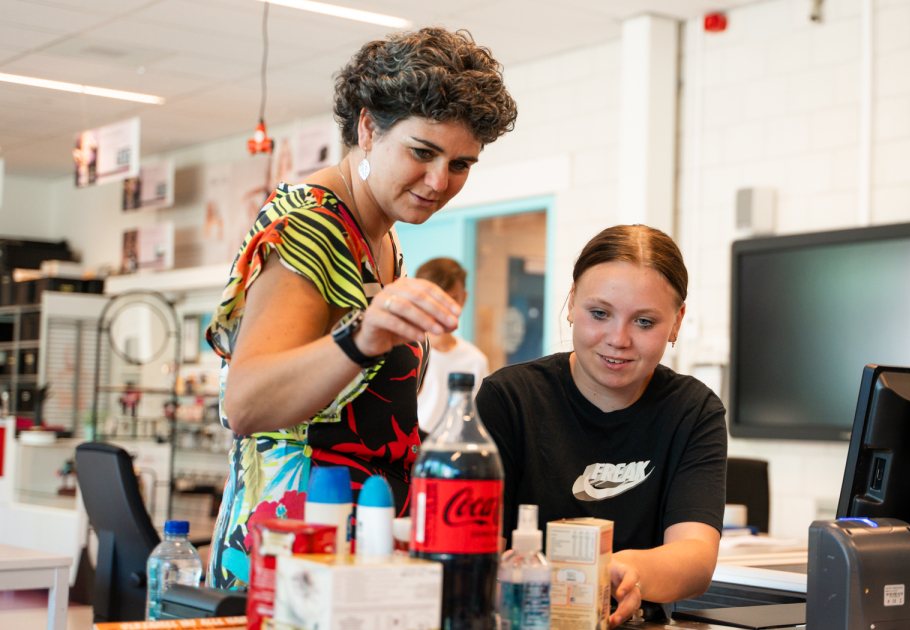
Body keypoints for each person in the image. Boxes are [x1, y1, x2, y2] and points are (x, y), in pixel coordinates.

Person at [203, 27, 517, 590]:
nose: (439, 181)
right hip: (293, 556)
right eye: (422, 153)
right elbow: (245, 403)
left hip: (358, 545)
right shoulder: (312, 224)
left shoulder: (385, 240)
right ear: (368, 128)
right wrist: (360, 338)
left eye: (461, 164)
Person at [476, 224, 727, 626]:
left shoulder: (693, 410)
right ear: (572, 303)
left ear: (676, 322)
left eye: (644, 322)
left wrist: (627, 571)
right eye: (600, 314)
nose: (618, 339)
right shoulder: (509, 399)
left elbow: (696, 557)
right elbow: (477, 553)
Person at [414, 257, 489, 434]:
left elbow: (478, 418)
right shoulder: (408, 352)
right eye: (435, 299)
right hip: (410, 452)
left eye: (453, 298)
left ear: (464, 298)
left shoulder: (475, 360)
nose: (443, 307)